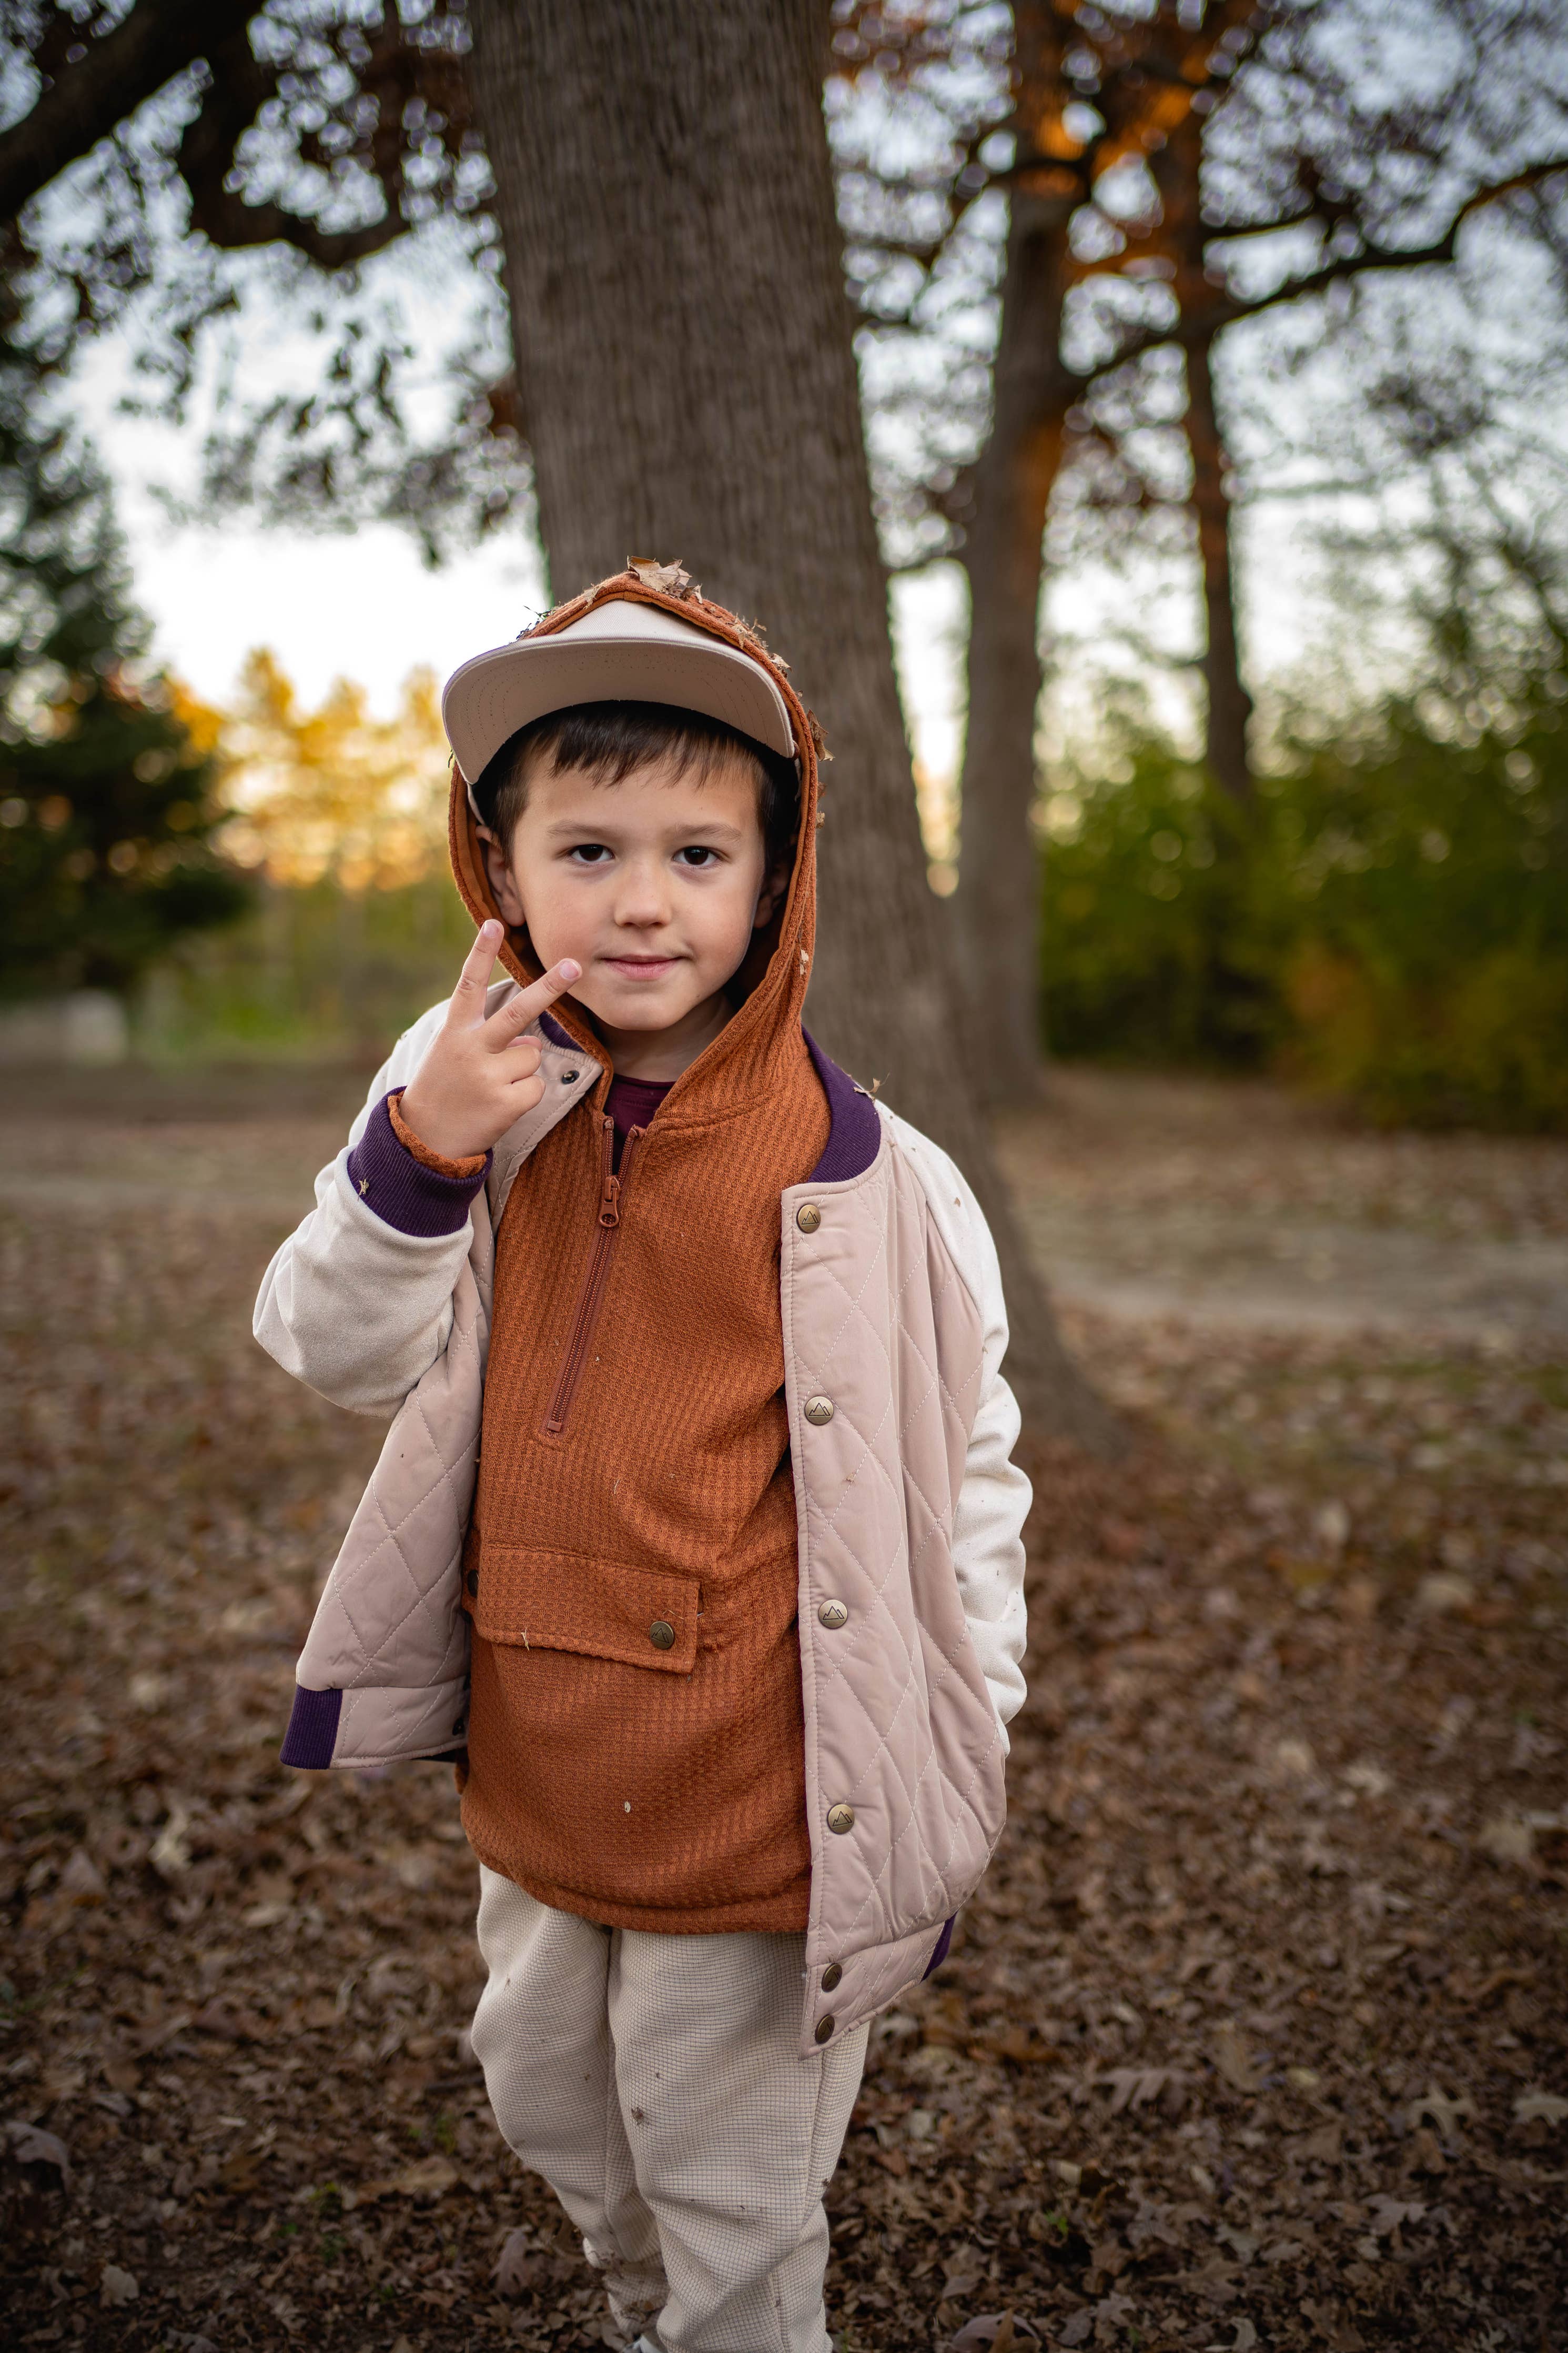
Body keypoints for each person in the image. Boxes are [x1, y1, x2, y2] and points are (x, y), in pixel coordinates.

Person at [255, 565, 1031, 2353]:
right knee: (555, 2109)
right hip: (539, 1740)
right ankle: (643, 2317)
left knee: (731, 2189)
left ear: (775, 885)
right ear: (501, 873)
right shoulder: (456, 1090)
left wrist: (966, 1693)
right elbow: (327, 1350)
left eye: (698, 854)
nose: (641, 899)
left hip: (757, 1762)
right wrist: (422, 1154)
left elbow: (964, 1456)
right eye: (585, 849)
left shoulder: (877, 1174)